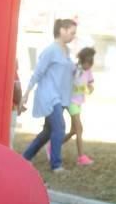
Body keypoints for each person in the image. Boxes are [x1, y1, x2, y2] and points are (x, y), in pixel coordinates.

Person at [21, 18, 77, 172]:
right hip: (49, 96)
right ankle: (56, 165)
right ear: (62, 31)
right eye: (71, 33)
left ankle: (24, 158)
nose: (73, 36)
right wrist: (26, 93)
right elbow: (38, 72)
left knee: (48, 131)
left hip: (61, 97)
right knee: (59, 128)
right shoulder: (50, 50)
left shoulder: (68, 51)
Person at [63, 47, 96, 165]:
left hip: (79, 102)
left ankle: (54, 146)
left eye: (91, 64)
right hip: (71, 102)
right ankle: (81, 157)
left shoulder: (88, 71)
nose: (90, 66)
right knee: (79, 129)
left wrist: (90, 89)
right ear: (82, 61)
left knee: (73, 130)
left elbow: (91, 84)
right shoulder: (74, 69)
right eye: (88, 63)